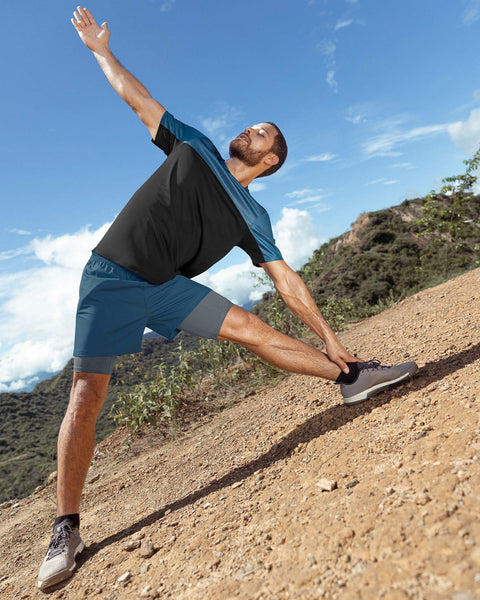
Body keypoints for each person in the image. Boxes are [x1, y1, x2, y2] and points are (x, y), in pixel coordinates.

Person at [37, 6, 418, 590]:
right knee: (86, 395)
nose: (249, 130)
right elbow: (138, 101)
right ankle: (67, 526)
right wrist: (99, 50)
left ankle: (350, 378)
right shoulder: (197, 146)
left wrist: (332, 338)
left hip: (166, 288)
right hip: (111, 276)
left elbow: (285, 280)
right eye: (252, 126)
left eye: (261, 134)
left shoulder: (254, 214)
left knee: (254, 331)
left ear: (269, 162)